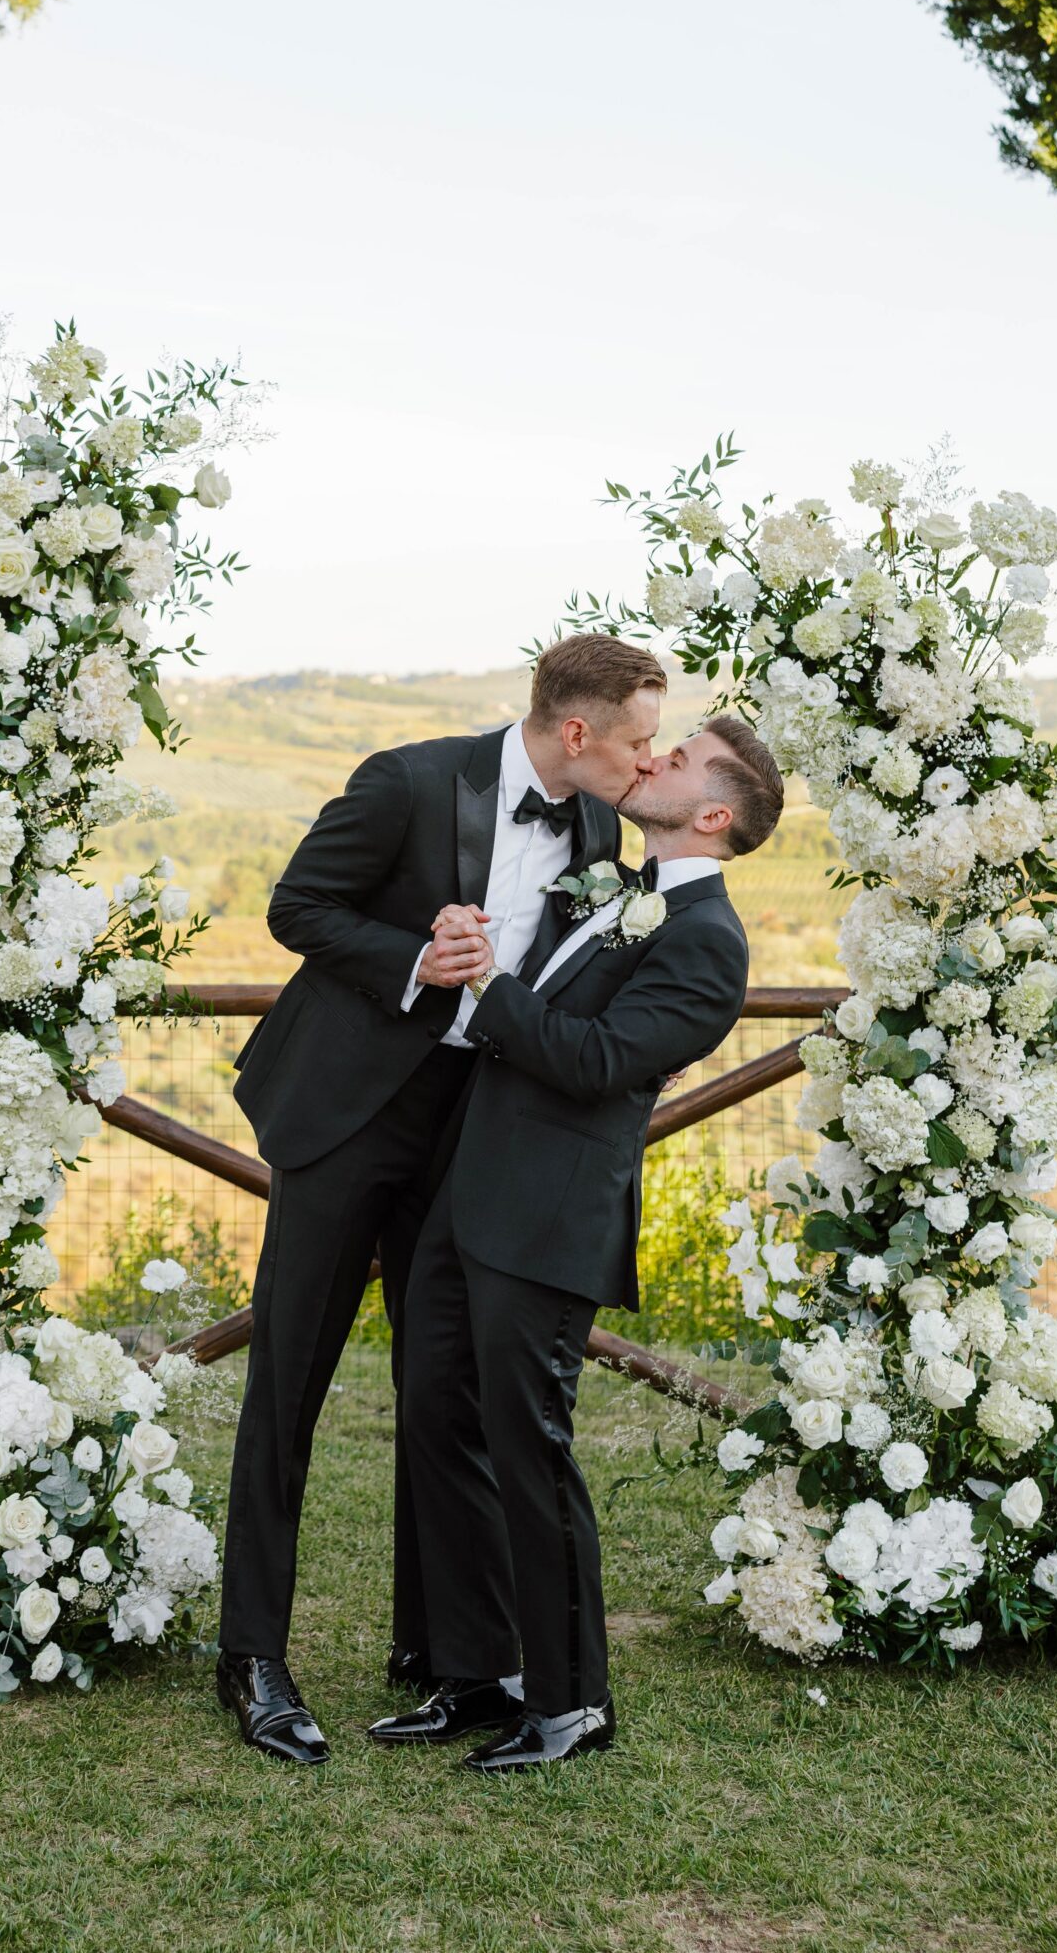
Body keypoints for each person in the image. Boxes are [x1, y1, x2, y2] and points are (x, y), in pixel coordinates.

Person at [215, 633, 669, 1764]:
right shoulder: (411, 781)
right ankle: (253, 1658)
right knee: (291, 1385)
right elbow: (299, 908)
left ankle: (451, 1654)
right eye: (639, 738)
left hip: (472, 1135)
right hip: (347, 1118)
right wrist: (419, 954)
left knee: (442, 1387)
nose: (648, 760)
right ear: (579, 733)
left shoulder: (603, 832)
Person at [369, 714, 783, 1772]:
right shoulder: (615, 884)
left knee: (529, 1451)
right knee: (435, 1420)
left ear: (715, 813)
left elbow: (597, 1061)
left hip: (549, 1220)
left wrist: (488, 987)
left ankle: (570, 1703)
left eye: (678, 760)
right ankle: (475, 1671)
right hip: (471, 1196)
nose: (654, 761)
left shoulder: (708, 943)